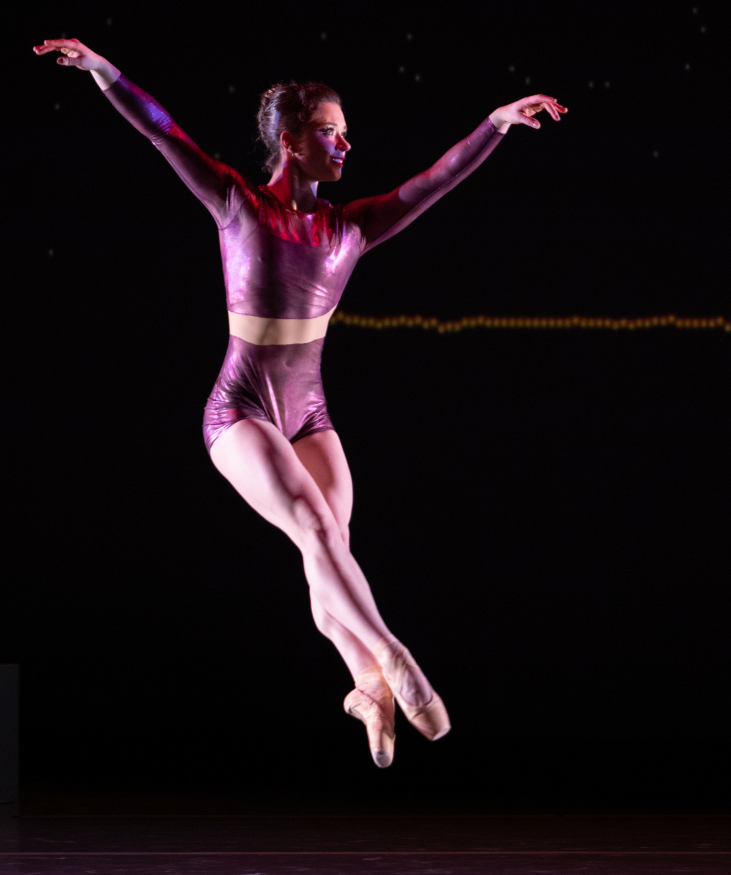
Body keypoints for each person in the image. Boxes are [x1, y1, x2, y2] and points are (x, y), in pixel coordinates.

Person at [34, 37, 566, 768]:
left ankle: (362, 687)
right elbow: (164, 130)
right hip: (238, 412)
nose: (345, 142)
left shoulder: (351, 228)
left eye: (345, 130)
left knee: (329, 551)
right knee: (316, 527)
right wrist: (105, 74)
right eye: (329, 130)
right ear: (290, 141)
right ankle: (393, 658)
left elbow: (435, 182)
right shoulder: (237, 204)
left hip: (309, 414)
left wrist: (496, 125)